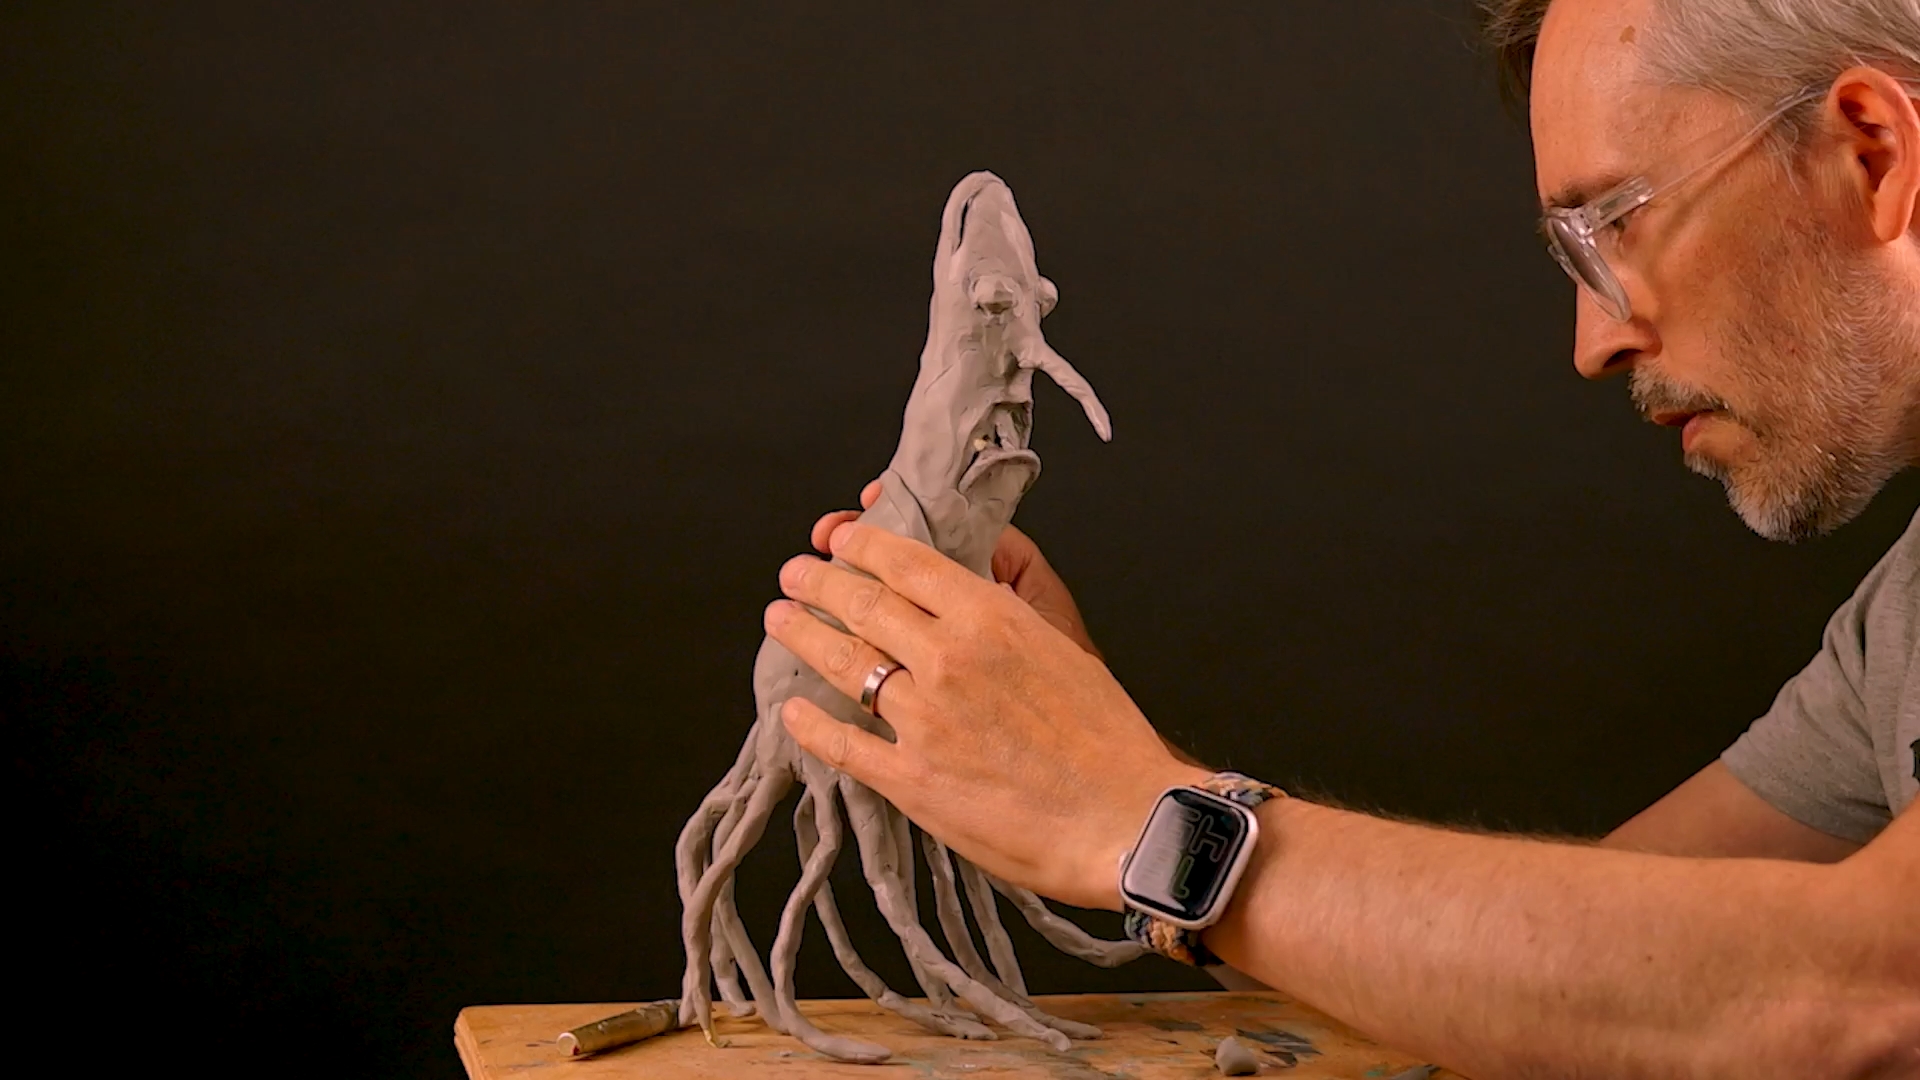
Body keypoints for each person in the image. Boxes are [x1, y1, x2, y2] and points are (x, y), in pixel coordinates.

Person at [761, 0, 1920, 1073]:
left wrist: (1143, 821)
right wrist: (1088, 760)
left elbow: (1868, 993)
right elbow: (1591, 980)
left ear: (1872, 155)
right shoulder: (1899, 627)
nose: (1592, 342)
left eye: (1614, 221)